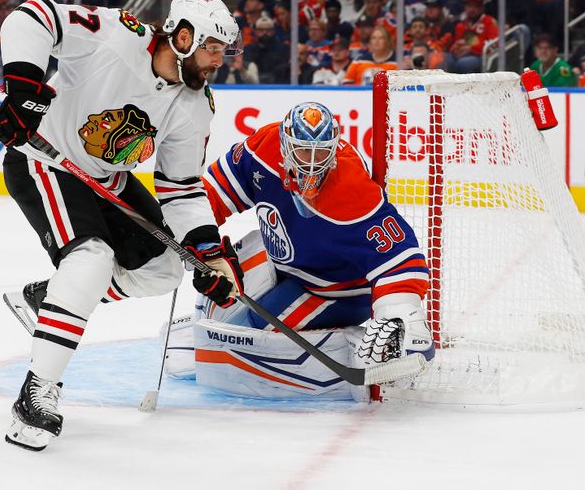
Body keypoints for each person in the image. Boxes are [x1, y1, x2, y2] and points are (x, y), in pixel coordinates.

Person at [0, 0, 245, 451]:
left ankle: (50, 299)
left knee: (164, 268)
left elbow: (181, 187)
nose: (218, 61)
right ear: (183, 37)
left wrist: (209, 255)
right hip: (47, 159)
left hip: (108, 177)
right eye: (211, 48)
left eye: (223, 51)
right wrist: (23, 90)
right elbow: (30, 17)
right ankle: (35, 396)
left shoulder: (196, 105)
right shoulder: (116, 36)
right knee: (91, 260)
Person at [165, 102, 434, 399]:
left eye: (321, 152)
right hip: (285, 260)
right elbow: (214, 190)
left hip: (334, 290)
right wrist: (193, 237)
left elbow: (401, 258)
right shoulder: (262, 149)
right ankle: (206, 334)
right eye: (305, 150)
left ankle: (352, 344)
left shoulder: (350, 189)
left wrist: (400, 314)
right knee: (224, 289)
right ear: (285, 143)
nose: (312, 163)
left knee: (243, 339)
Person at [450, 0, 498, 74]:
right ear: (465, 8)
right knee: (446, 59)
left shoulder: (489, 21)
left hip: (483, 57)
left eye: (476, 7)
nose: (472, 9)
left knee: (463, 64)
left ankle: (467, 86)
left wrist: (471, 48)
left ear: (482, 8)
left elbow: (493, 44)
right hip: (464, 55)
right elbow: (456, 44)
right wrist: (456, 48)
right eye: (469, 6)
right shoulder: (461, 24)